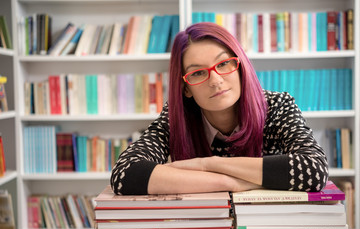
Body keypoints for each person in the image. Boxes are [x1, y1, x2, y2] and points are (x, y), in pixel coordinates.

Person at [111, 22, 328, 195]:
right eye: (197, 73)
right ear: (186, 88)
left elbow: (314, 169)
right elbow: (126, 174)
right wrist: (232, 183)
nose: (215, 81)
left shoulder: (277, 106)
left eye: (223, 64)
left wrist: (209, 164)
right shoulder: (178, 116)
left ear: (240, 67)